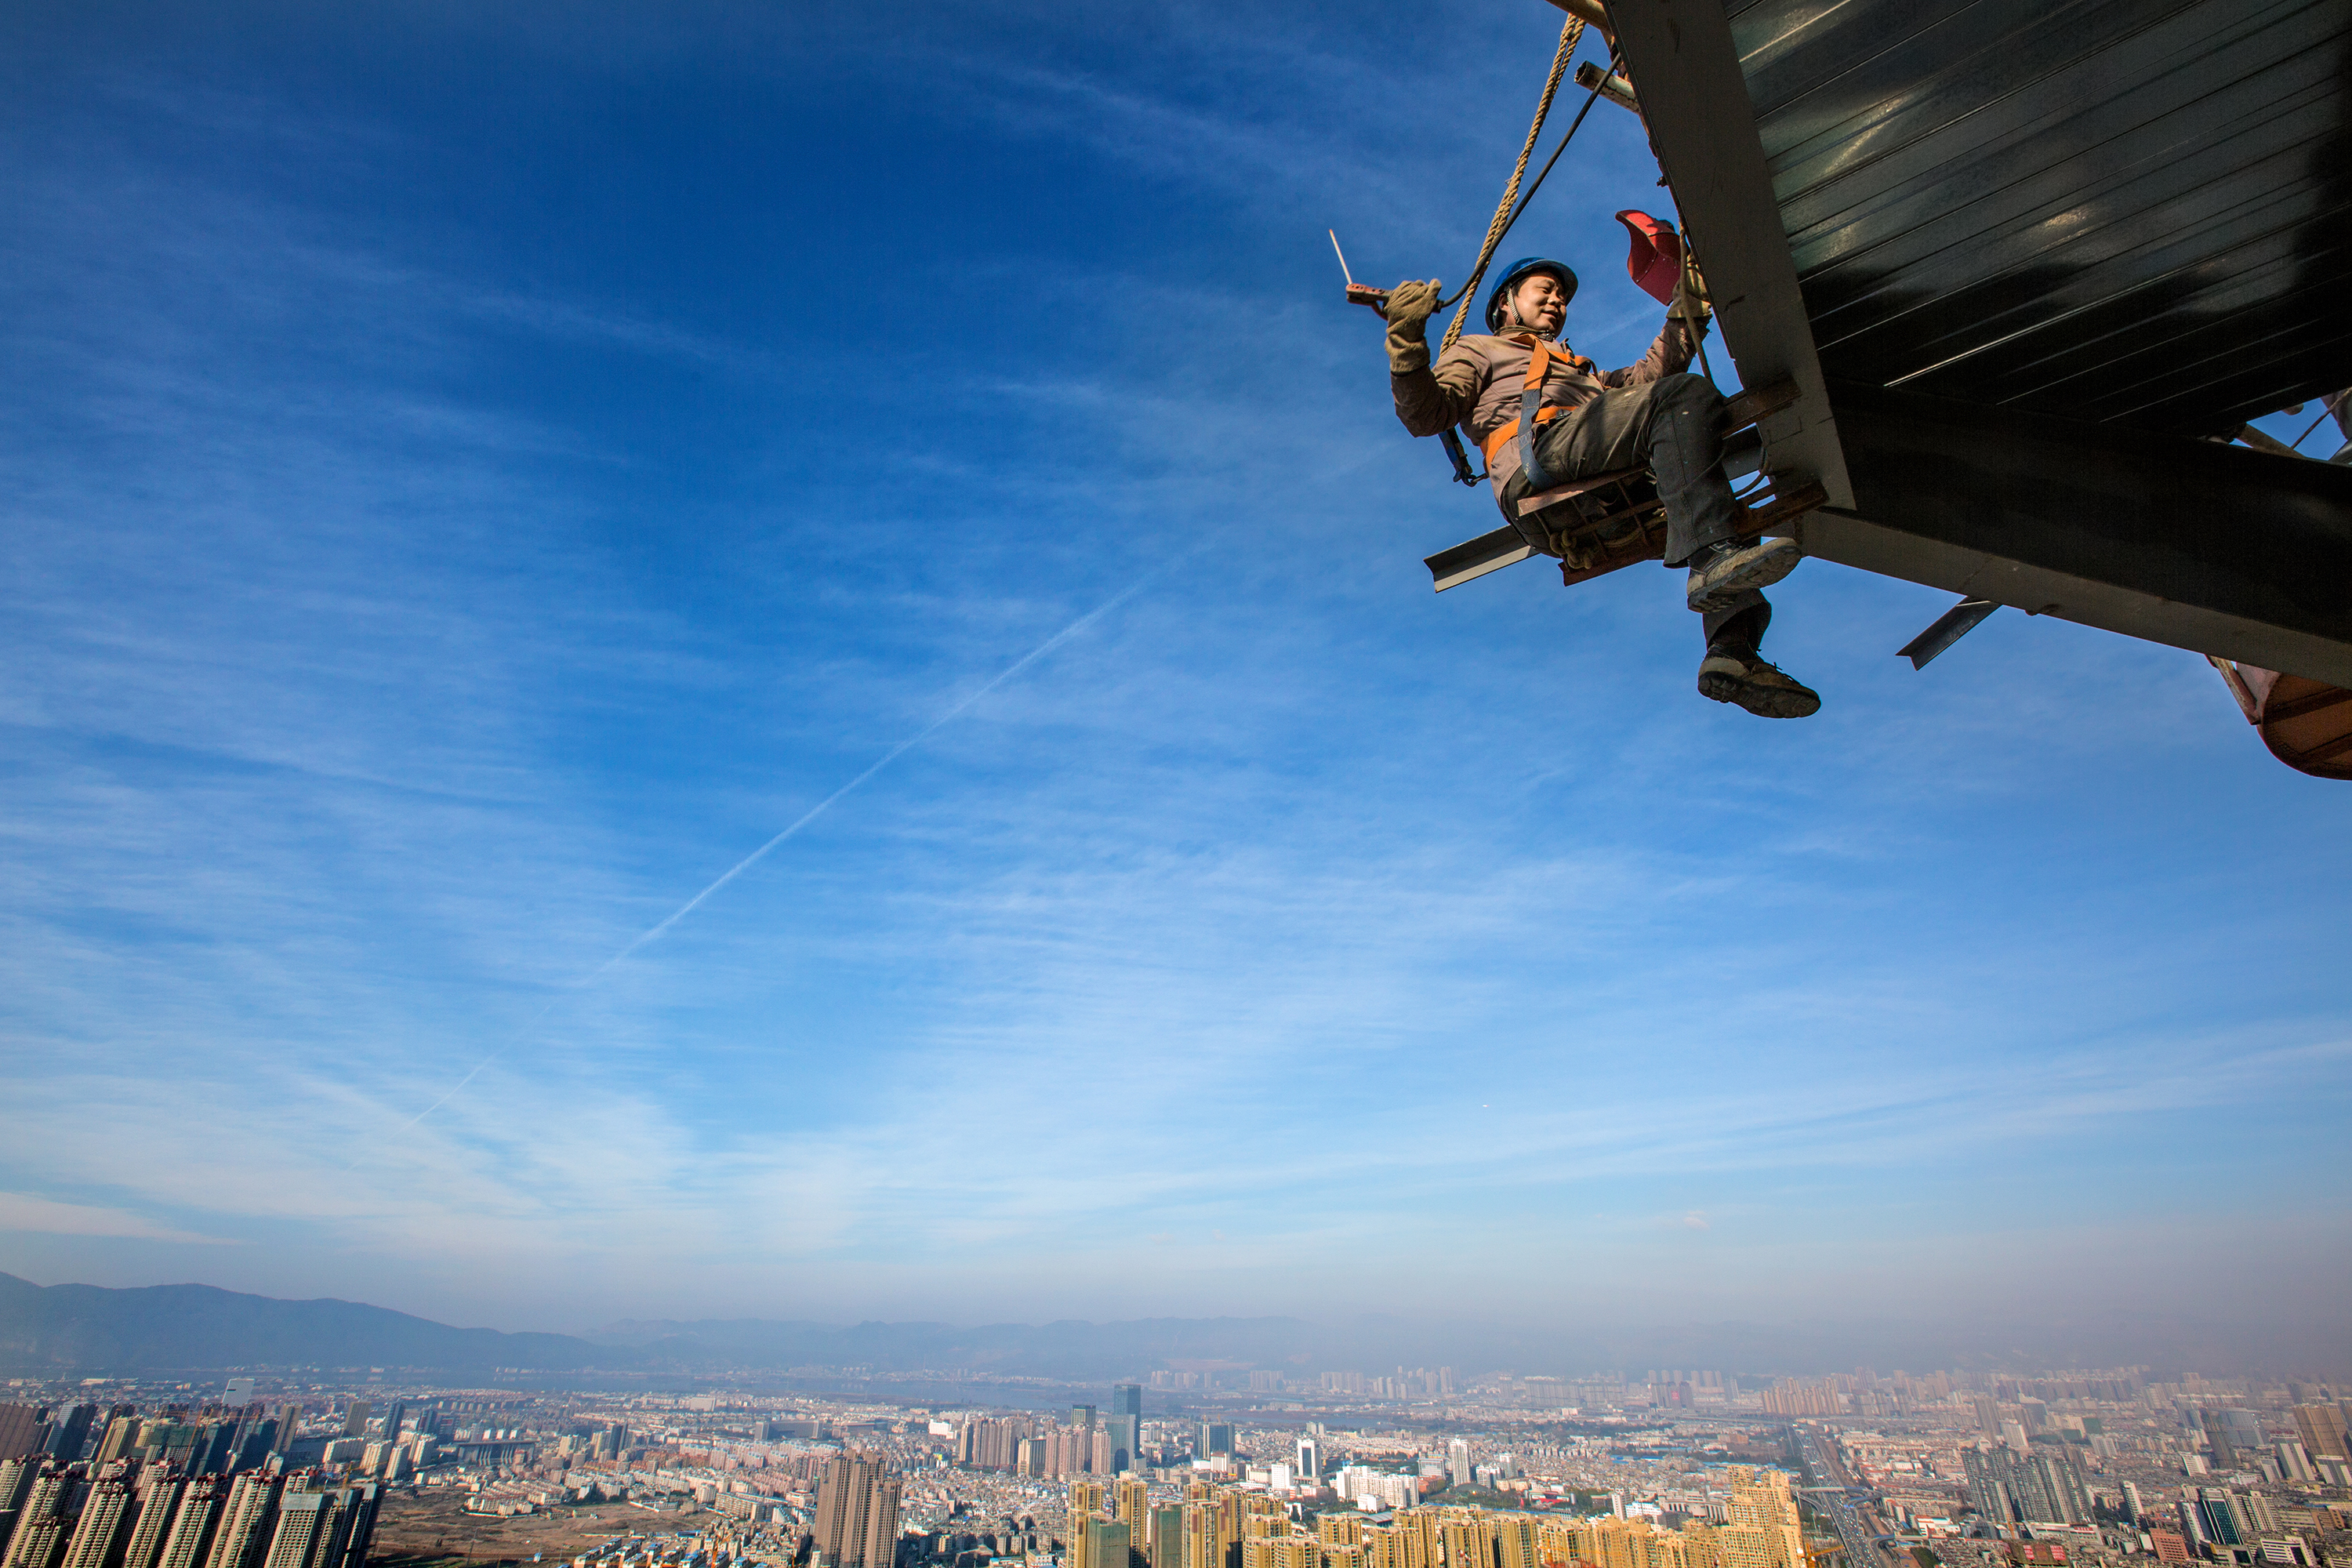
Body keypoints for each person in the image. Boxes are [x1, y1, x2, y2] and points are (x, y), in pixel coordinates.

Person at [1384, 256, 1820, 718]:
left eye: (1562, 297)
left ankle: (1731, 652)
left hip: (1595, 474)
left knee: (1715, 490)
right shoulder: (1479, 350)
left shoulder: (1584, 374)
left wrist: (1688, 303)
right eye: (1545, 290)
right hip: (1540, 462)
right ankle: (1711, 558)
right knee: (1683, 399)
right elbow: (1426, 413)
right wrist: (1406, 344)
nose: (1557, 300)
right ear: (1506, 304)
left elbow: (1649, 382)